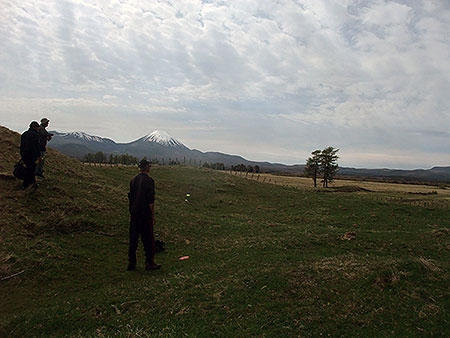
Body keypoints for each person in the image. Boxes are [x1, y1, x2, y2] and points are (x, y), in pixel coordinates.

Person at [127, 159, 161, 271]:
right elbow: (151, 200)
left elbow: (131, 198)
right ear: (147, 168)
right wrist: (153, 215)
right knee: (148, 239)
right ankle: (149, 263)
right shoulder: (149, 181)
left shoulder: (133, 180)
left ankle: (131, 263)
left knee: (133, 239)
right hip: (145, 213)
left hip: (134, 213)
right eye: (149, 166)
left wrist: (131, 212)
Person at [20, 121, 42, 189]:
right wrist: (38, 156)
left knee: (28, 169)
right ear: (35, 127)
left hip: (24, 154)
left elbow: (22, 145)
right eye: (38, 127)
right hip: (32, 156)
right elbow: (35, 147)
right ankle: (26, 184)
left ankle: (32, 183)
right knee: (31, 170)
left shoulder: (24, 134)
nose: (38, 128)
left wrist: (22, 154)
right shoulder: (35, 135)